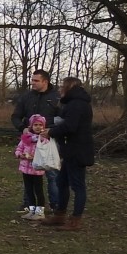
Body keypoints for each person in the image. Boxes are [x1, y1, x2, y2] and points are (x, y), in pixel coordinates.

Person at [42, 77, 94, 231]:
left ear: (69, 87)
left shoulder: (77, 104)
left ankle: (75, 221)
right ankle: (60, 214)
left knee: (78, 186)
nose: (59, 90)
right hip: (71, 150)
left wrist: (50, 132)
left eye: (61, 87)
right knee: (62, 182)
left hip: (78, 150)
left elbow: (70, 126)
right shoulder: (74, 103)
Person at [12, 69, 60, 213]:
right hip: (28, 142)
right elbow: (15, 116)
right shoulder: (26, 97)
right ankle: (28, 204)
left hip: (50, 140)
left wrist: (52, 131)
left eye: (36, 80)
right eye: (32, 80)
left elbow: (63, 118)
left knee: (52, 174)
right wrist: (22, 128)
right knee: (28, 174)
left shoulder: (57, 97)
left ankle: (55, 205)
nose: (32, 83)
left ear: (45, 81)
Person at [14, 114, 50, 220]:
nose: (38, 127)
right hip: (25, 168)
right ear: (31, 126)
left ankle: (40, 212)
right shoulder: (26, 138)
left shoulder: (44, 140)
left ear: (43, 126)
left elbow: (46, 154)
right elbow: (19, 149)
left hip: (37, 170)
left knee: (38, 190)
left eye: (40, 125)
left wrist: (34, 157)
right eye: (35, 124)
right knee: (29, 190)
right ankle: (32, 210)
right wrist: (19, 155)